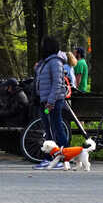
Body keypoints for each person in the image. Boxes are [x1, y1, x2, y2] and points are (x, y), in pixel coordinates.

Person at [33, 36, 69, 169]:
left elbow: (57, 83)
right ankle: (49, 158)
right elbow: (43, 78)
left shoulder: (55, 62)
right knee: (48, 130)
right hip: (44, 101)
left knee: (57, 129)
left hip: (52, 101)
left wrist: (51, 101)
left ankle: (64, 157)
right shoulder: (46, 62)